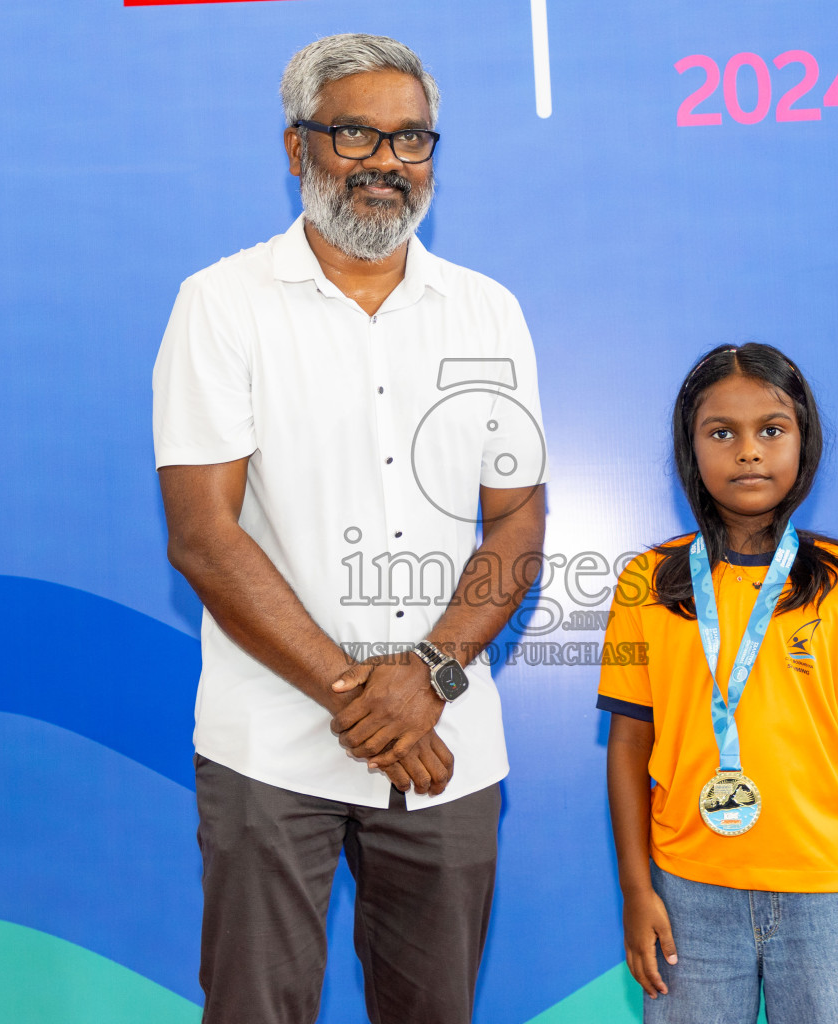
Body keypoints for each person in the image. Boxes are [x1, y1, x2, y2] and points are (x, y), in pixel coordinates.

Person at [151, 34, 547, 1024]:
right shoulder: (220, 305)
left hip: (447, 741)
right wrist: (358, 696)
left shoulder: (488, 312)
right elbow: (204, 535)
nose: (387, 163)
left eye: (411, 140)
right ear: (297, 150)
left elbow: (519, 524)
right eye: (356, 135)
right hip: (269, 747)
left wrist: (431, 676)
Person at [598, 343, 838, 1022]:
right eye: (722, 433)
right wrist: (636, 889)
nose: (749, 452)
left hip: (831, 893)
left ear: (804, 442)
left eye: (771, 430)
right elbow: (627, 745)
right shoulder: (648, 583)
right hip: (688, 895)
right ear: (691, 449)